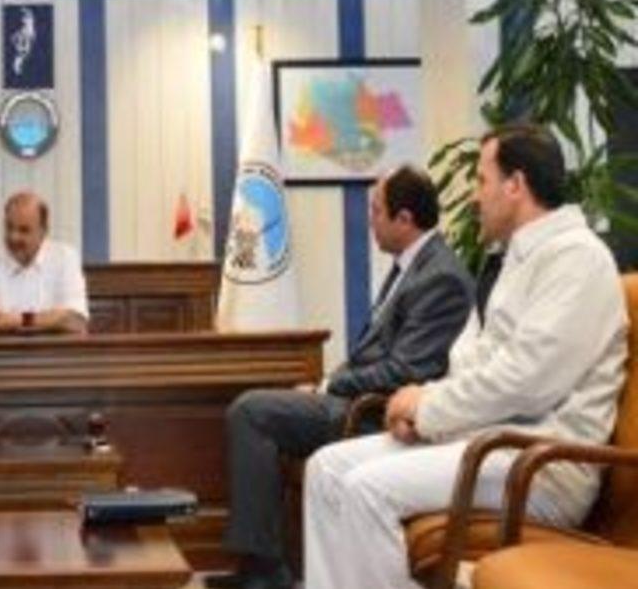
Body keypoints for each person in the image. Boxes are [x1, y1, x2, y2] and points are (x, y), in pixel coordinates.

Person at [304, 124, 629, 589]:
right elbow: (471, 362)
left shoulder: (578, 259)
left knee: (365, 491)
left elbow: (525, 382)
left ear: (515, 185)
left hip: (541, 464)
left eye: (481, 180)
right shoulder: (518, 257)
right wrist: (422, 410)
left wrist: (427, 408)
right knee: (325, 469)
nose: (475, 196)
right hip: (489, 439)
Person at [207, 165, 474, 589]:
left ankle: (265, 571)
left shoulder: (440, 277)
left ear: (404, 219)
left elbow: (406, 370)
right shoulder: (413, 266)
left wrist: (331, 386)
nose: (370, 221)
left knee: (252, 411)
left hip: (376, 412)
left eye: (376, 211)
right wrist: (323, 384)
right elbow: (373, 354)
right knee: (257, 406)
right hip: (357, 399)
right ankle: (268, 564)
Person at [0, 191, 89, 335]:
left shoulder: (65, 258)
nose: (14, 237)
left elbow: (75, 320)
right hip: (0, 349)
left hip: (54, 349)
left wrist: (15, 320)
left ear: (43, 231)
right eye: (9, 227)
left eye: (24, 230)